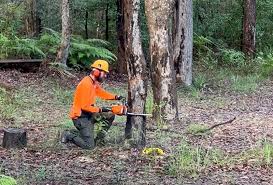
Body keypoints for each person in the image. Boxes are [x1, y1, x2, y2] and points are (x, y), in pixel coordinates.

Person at [61, 59, 124, 149]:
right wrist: (101, 109)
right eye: (104, 73)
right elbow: (84, 107)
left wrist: (116, 97)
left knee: (110, 115)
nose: (105, 75)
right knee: (89, 146)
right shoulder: (86, 84)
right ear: (97, 72)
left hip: (89, 114)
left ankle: (99, 139)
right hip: (81, 118)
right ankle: (68, 135)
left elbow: (101, 93)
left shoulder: (93, 82)